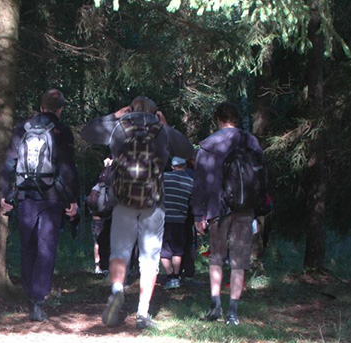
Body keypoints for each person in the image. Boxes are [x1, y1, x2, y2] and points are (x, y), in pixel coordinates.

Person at [81, 96, 194, 330]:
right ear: (155, 112)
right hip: (153, 202)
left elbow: (87, 132)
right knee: (149, 258)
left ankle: (117, 291)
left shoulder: (119, 128)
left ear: (130, 109)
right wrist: (166, 125)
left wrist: (114, 116)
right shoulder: (161, 131)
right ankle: (143, 312)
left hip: (123, 200)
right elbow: (187, 149)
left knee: (120, 252)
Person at [0, 89, 79, 322]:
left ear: (41, 106)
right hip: (52, 197)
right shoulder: (61, 131)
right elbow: (67, 167)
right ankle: (37, 300)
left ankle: (29, 293)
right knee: (46, 247)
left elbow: (9, 162)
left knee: (28, 246)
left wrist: (4, 194)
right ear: (60, 109)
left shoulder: (22, 128)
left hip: (25, 196)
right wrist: (72, 200)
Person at [191, 101, 264, 326]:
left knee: (216, 257)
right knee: (239, 261)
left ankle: (216, 305)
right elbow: (261, 176)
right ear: (236, 118)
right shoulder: (251, 141)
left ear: (219, 119)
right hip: (245, 207)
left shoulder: (208, 145)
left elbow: (200, 183)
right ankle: (233, 312)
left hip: (217, 208)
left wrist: (198, 215)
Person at [160, 156, 194, 289]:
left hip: (164, 219)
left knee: (164, 251)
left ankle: (169, 277)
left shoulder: (164, 178)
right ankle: (176, 277)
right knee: (177, 251)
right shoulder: (190, 181)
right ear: (185, 166)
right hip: (180, 220)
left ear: (172, 166)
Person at [88, 157, 113, 275]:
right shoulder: (115, 182)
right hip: (110, 216)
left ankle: (98, 266)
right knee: (109, 242)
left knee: (97, 242)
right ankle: (108, 266)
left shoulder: (97, 181)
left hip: (97, 216)